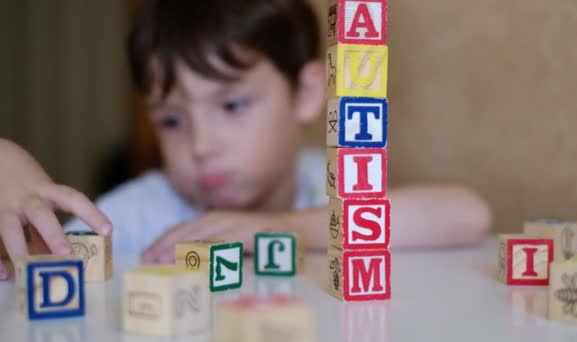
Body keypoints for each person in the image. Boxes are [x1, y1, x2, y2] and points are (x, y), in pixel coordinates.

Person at [0, 0, 492, 280]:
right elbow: (28, 269)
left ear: (304, 92)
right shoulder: (134, 215)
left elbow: (468, 215)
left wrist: (279, 229)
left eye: (232, 106)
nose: (201, 146)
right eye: (172, 121)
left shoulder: (327, 186)